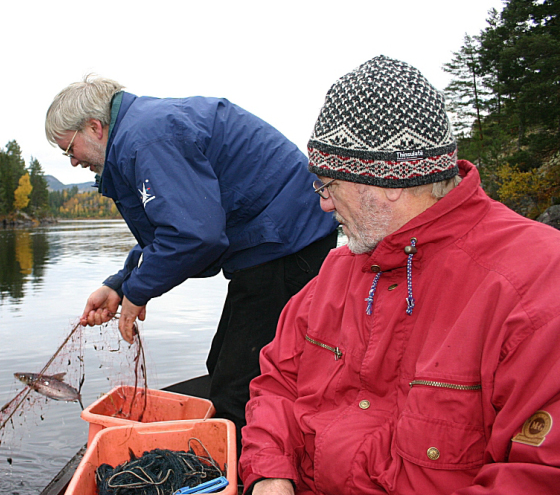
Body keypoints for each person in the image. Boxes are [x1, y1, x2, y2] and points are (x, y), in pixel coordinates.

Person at [239, 55, 560, 494]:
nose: (324, 205)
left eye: (329, 185)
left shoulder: (536, 283)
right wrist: (270, 473)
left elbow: (539, 476)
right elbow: (276, 383)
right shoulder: (336, 273)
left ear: (387, 181)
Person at [44, 76, 338, 438]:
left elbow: (196, 236)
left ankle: (253, 476)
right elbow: (171, 231)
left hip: (289, 237)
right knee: (223, 365)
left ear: (95, 127)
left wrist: (139, 290)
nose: (72, 162)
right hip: (265, 243)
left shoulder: (147, 138)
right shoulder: (139, 137)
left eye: (69, 149)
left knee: (239, 384)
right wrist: (120, 285)